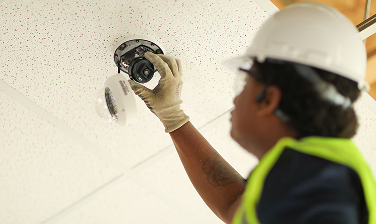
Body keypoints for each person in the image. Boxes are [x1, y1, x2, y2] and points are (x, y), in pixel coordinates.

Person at [129, 2, 376, 224]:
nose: (236, 98)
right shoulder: (310, 177)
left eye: (245, 84)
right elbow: (233, 206)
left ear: (268, 99)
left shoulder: (319, 183)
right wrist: (173, 117)